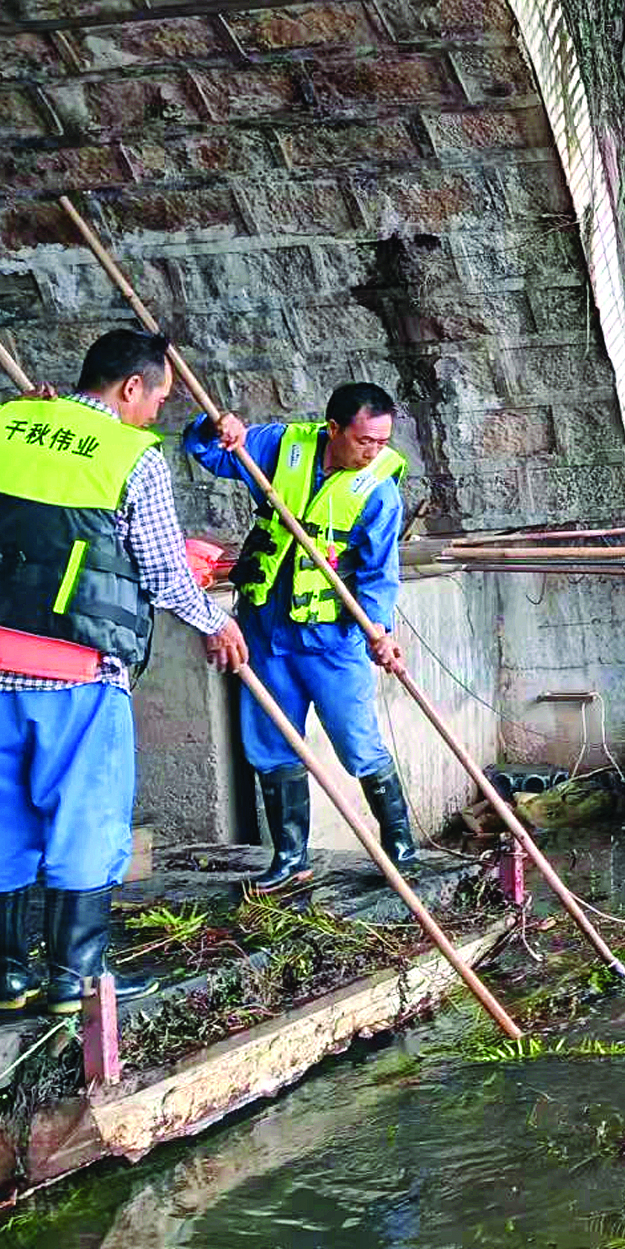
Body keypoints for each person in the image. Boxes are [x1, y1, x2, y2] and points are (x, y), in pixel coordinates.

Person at [0, 330, 248, 1014]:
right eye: (157, 398)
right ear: (131, 387)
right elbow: (159, 569)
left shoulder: (6, 422)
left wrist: (20, 423)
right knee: (85, 813)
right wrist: (216, 620)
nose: (155, 414)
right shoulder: (132, 455)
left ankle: (11, 976)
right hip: (73, 664)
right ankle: (77, 979)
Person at [184, 383, 411, 893]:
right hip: (266, 631)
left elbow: (379, 574)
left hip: (332, 640)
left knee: (358, 744)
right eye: (364, 441)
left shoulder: (379, 490)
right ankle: (290, 856)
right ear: (334, 429)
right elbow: (206, 453)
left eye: (381, 442)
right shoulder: (279, 446)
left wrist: (379, 630)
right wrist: (217, 428)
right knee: (271, 743)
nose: (373, 451)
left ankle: (399, 844)